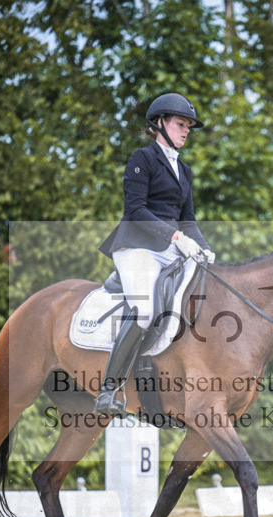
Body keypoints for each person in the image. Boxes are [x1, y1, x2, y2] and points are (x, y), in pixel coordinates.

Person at [94, 93, 214, 416]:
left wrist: (204, 248)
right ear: (159, 123)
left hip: (170, 248)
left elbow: (188, 220)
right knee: (145, 311)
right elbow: (135, 210)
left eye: (188, 126)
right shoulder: (142, 159)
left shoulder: (184, 170)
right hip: (136, 246)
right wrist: (174, 236)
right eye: (180, 124)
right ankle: (108, 390)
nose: (186, 130)